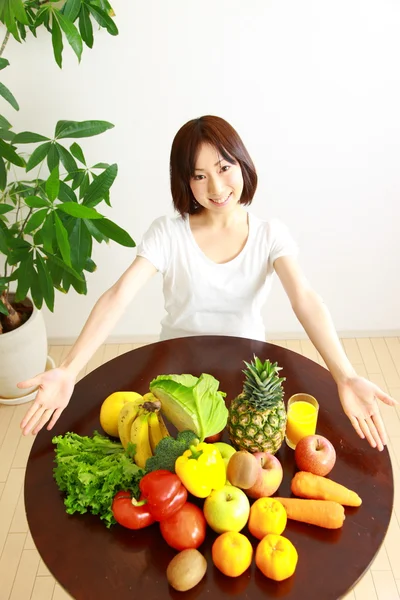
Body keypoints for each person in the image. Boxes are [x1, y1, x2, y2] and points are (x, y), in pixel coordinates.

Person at [19, 115, 397, 450]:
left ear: (242, 163)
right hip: (176, 377)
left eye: (224, 167)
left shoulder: (269, 234)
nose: (216, 187)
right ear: (185, 181)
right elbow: (119, 296)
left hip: (246, 374)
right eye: (200, 175)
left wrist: (346, 376)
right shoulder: (168, 233)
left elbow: (306, 299)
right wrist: (69, 369)